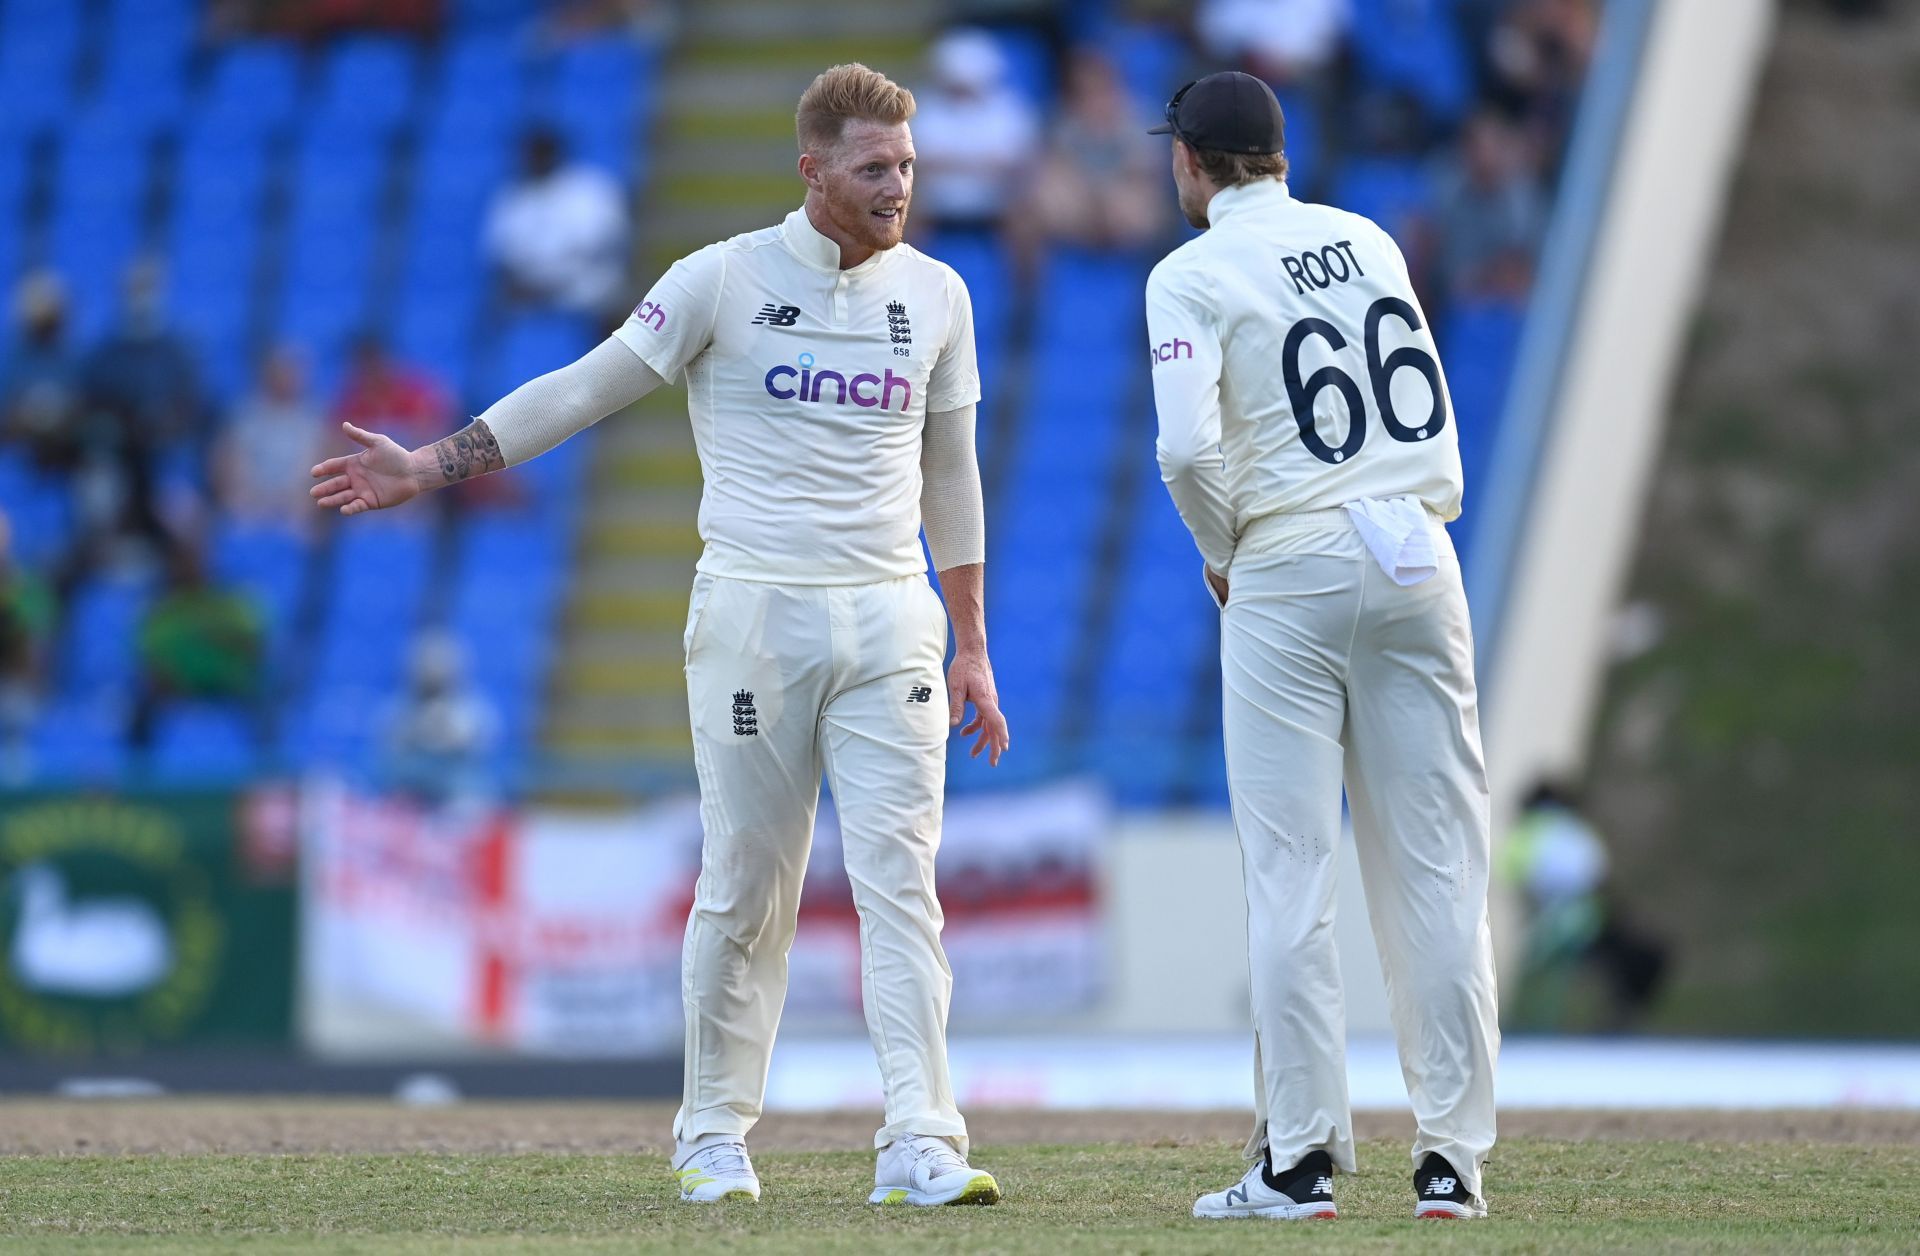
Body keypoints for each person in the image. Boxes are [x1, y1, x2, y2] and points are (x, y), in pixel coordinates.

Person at [311, 62, 1009, 1210]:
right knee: (749, 882)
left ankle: (921, 1137)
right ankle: (713, 1134)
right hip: (754, 616)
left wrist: (970, 641)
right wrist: (431, 465)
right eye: (875, 168)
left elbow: (953, 475)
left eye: (909, 167)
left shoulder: (938, 294)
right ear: (813, 169)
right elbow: (580, 390)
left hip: (893, 616)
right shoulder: (721, 280)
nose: (899, 187)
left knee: (903, 882)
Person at [1143, 72, 1498, 1221]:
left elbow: (1188, 452)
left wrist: (1223, 549)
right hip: (1418, 545)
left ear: (1191, 161)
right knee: (1439, 867)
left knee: (1293, 870)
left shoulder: (1188, 273)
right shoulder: (1368, 237)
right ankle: (1452, 1159)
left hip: (1290, 553)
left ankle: (1299, 1159)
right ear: (1279, 155)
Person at [484, 126, 631, 323]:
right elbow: (501, 256)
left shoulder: (591, 188)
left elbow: (601, 247)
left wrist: (552, 282)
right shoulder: (512, 196)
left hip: (585, 294)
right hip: (529, 298)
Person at [907, 28, 1041, 236]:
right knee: (901, 209)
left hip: (996, 195)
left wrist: (953, 163)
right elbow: (918, 162)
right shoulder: (924, 106)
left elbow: (1017, 163)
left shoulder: (1010, 108)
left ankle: (1026, 270)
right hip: (937, 194)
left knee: (1026, 215)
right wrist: (979, 163)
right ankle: (904, 268)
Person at [215, 346, 325, 535]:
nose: (286, 378)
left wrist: (297, 497)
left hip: (295, 501)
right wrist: (249, 495)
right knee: (238, 522)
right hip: (250, 498)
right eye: (281, 371)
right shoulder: (245, 415)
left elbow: (319, 466)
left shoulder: (313, 418)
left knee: (303, 522)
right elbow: (229, 461)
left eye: (292, 372)